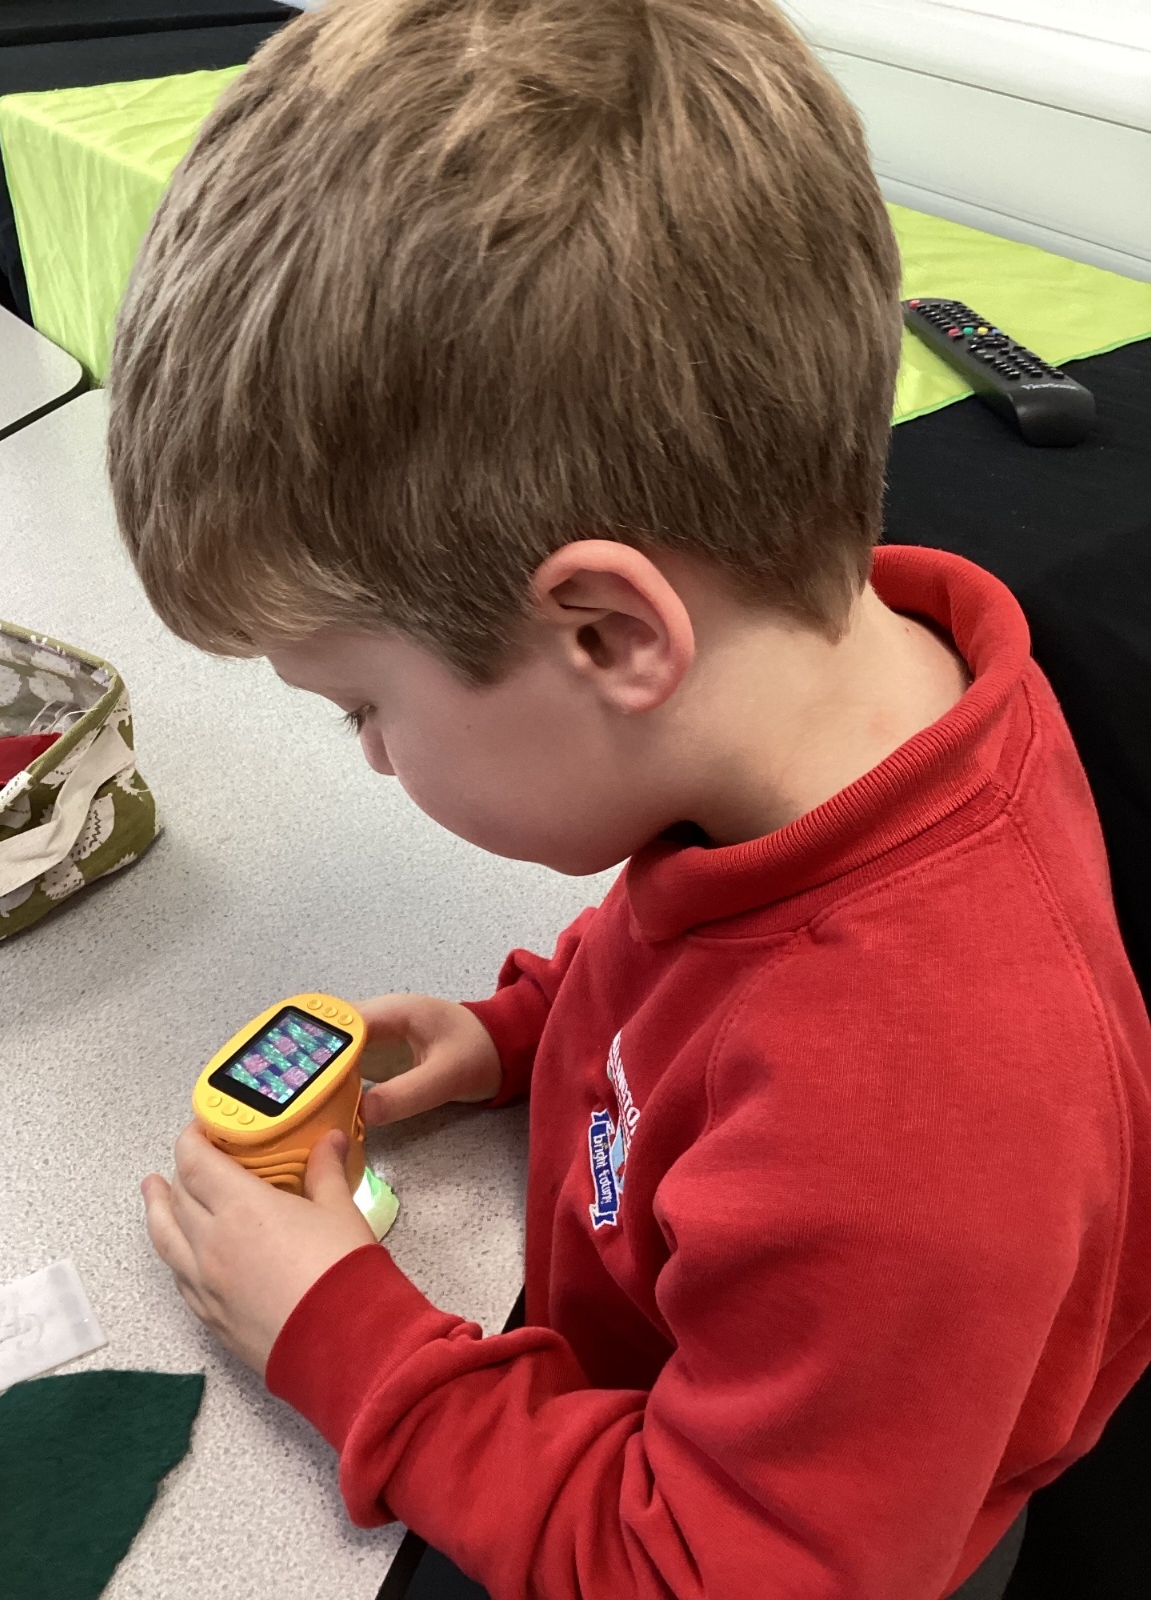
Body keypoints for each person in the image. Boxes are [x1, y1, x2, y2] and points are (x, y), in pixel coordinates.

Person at [108, 2, 1151, 1596]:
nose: (372, 758)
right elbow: (703, 963)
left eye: (365, 710)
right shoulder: (843, 704)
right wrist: (528, 1031)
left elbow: (712, 1568)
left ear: (606, 634)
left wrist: (350, 1342)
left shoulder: (914, 1111)